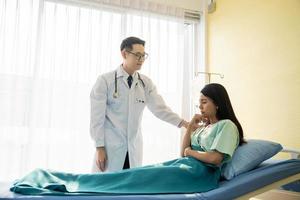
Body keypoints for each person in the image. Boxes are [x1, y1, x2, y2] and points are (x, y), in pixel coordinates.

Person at [11, 83, 246, 195]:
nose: (200, 106)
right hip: (184, 168)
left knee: (135, 178)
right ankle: (67, 181)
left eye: (204, 101)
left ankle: (74, 187)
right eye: (199, 102)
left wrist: (189, 153)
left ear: (218, 102)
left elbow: (215, 159)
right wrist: (189, 129)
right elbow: (181, 152)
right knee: (132, 175)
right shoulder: (206, 128)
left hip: (199, 176)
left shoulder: (227, 126)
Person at [90, 36, 188, 173]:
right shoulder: (105, 81)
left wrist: (184, 123)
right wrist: (99, 147)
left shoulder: (145, 83)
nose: (141, 60)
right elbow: (96, 118)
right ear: (124, 54)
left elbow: (160, 109)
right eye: (137, 55)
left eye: (143, 56)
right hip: (110, 148)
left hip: (133, 148)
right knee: (107, 189)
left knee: (130, 189)